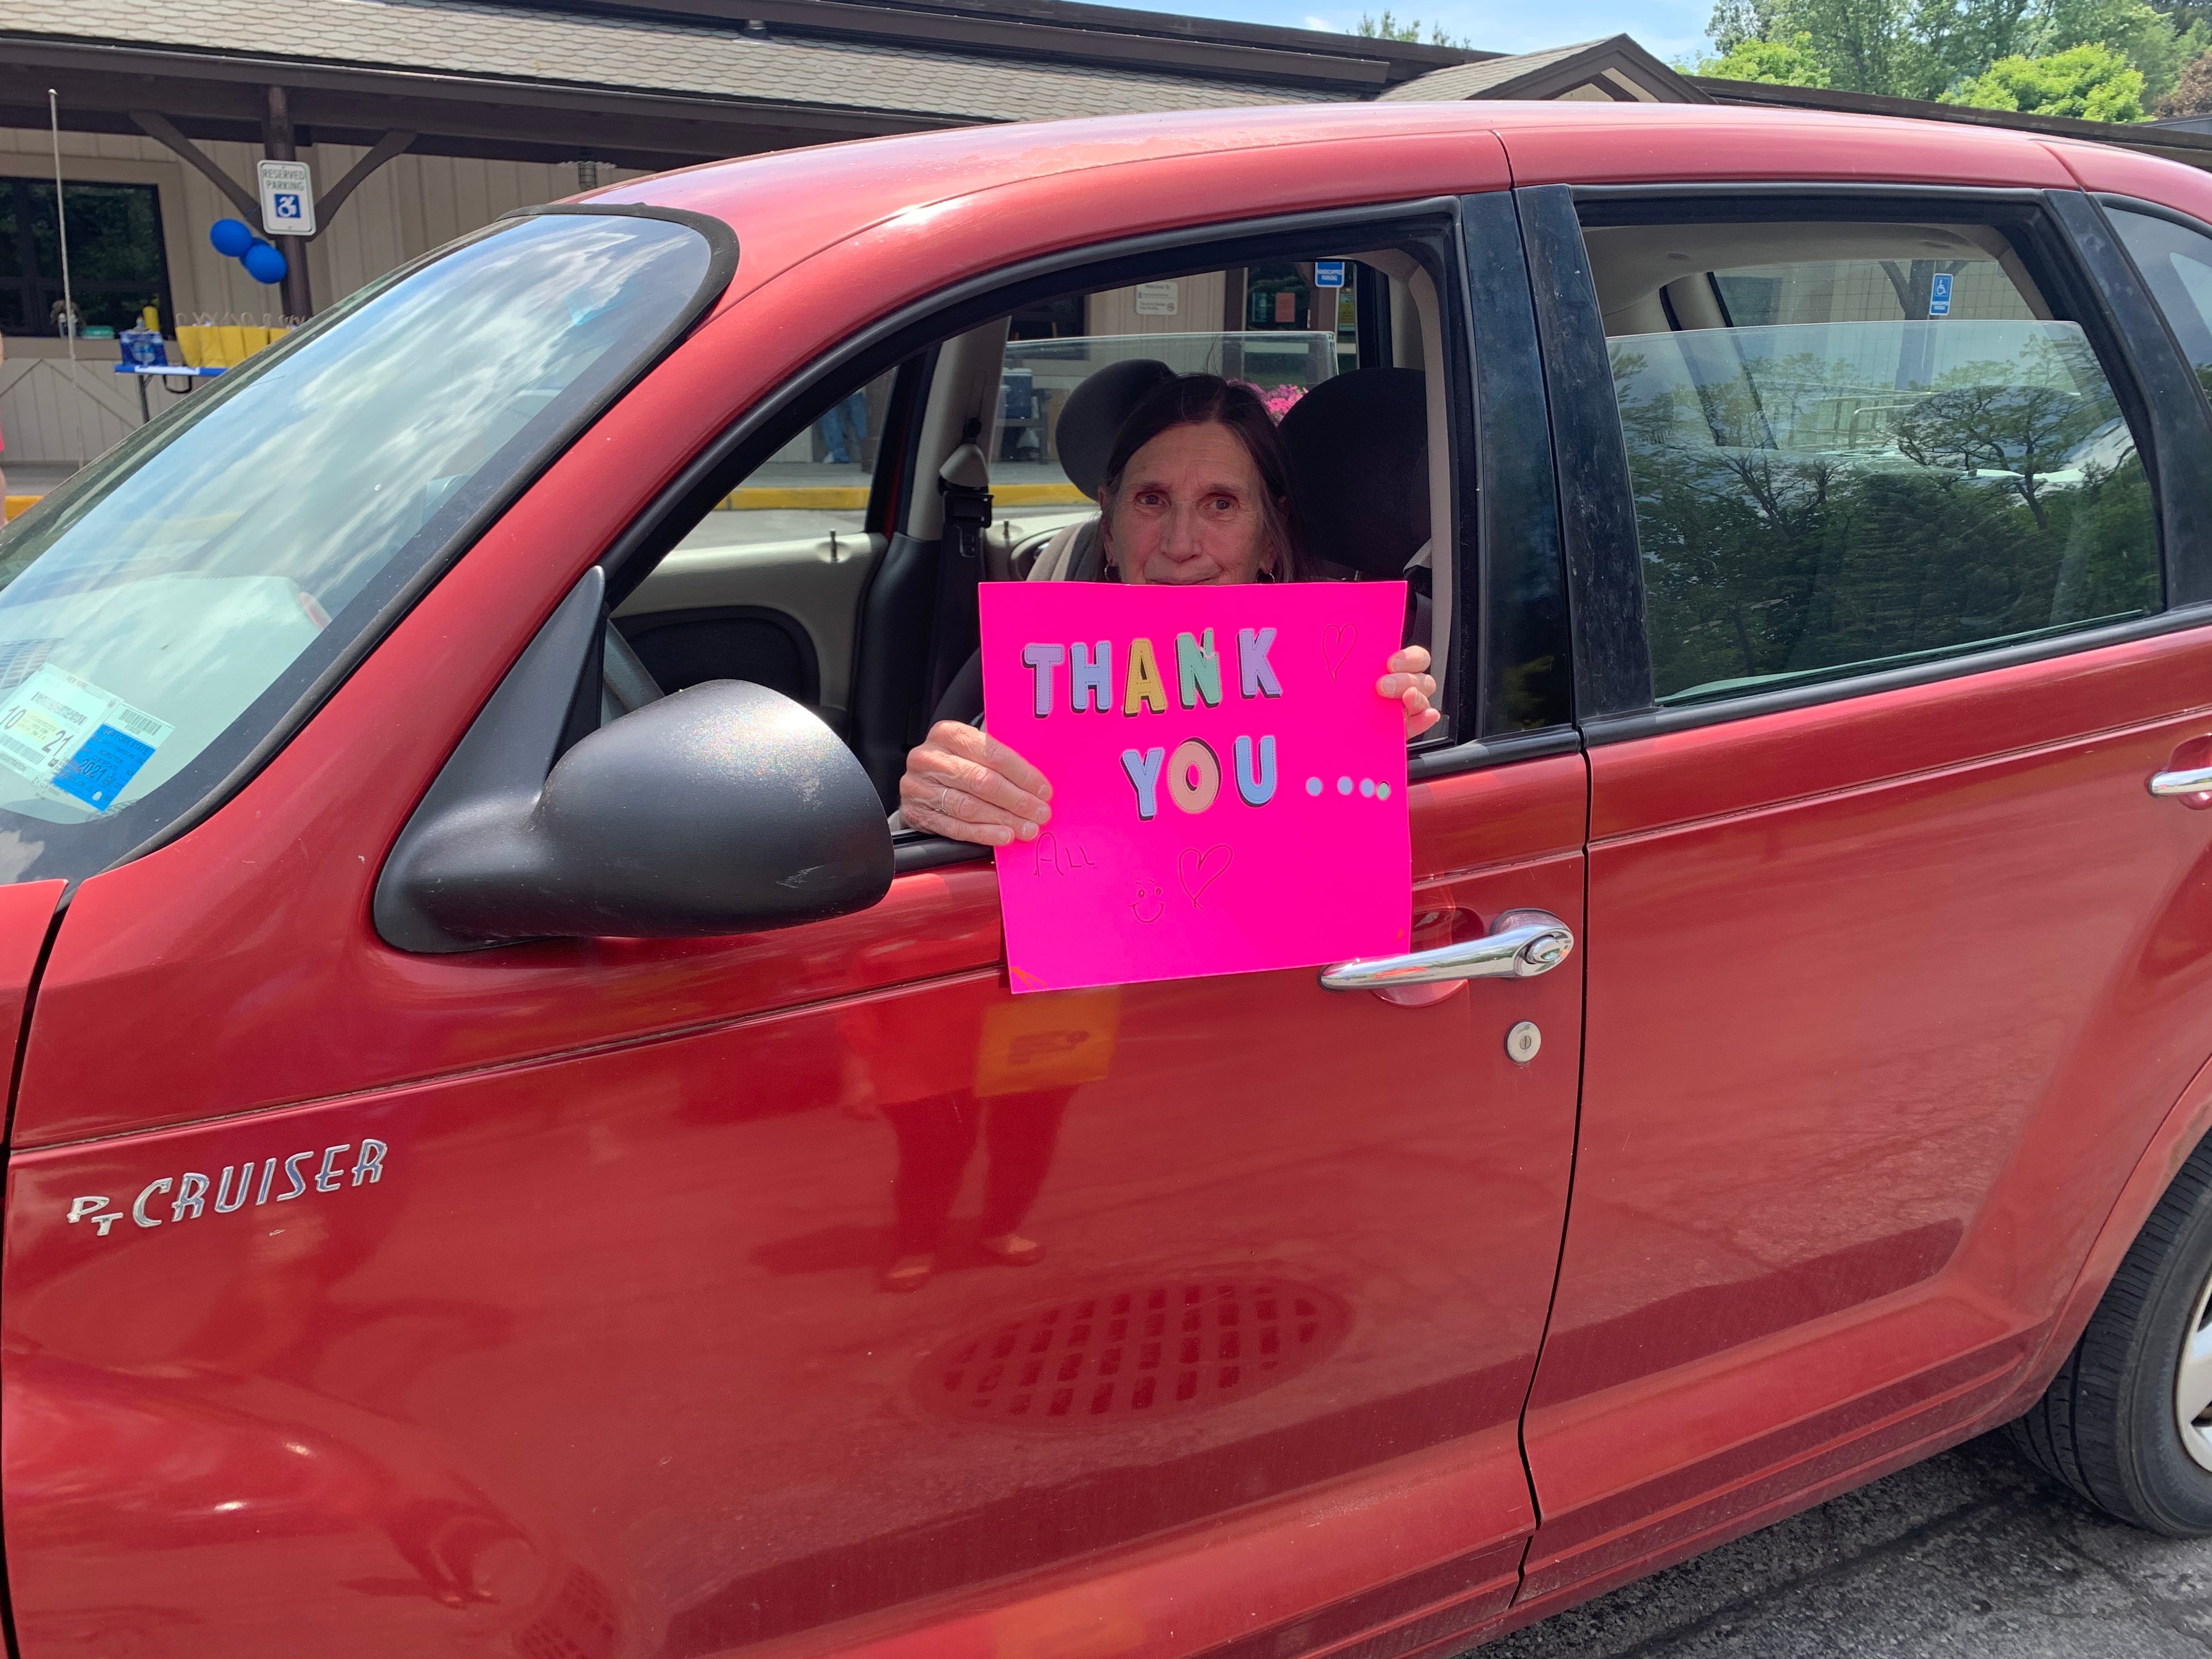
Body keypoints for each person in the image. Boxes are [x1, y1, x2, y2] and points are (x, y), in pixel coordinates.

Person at [899, 373, 1438, 847]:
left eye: (1221, 504)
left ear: (1270, 539)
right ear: (1110, 532)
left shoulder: (1345, 684)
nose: (1180, 545)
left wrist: (1386, 754)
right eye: (1152, 500)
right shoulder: (1048, 684)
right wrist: (935, 807)